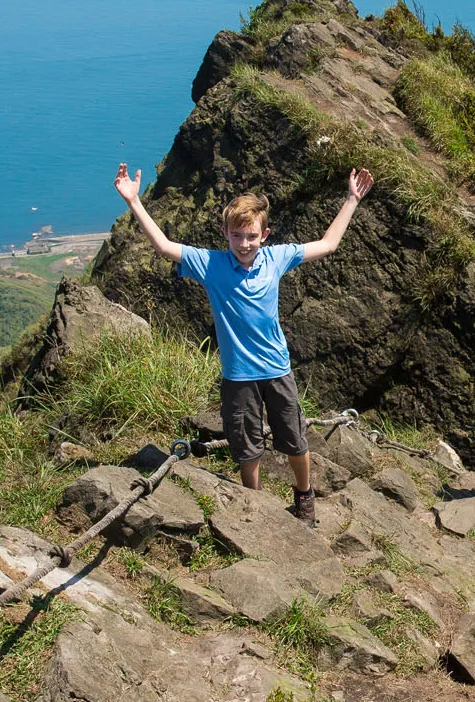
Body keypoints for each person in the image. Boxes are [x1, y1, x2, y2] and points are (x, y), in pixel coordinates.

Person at [114, 162, 374, 523]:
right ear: (225, 234)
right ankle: (257, 507)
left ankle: (304, 497)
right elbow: (163, 246)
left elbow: (329, 245)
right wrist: (134, 201)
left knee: (296, 440)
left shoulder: (276, 258)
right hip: (238, 376)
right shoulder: (211, 264)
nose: (245, 244)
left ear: (264, 234)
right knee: (247, 448)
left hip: (277, 370)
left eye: (251, 236)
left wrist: (351, 200)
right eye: (237, 236)